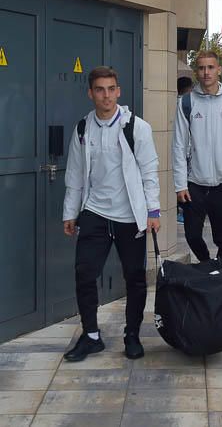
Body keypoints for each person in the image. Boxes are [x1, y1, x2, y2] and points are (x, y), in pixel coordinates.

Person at [62, 66, 160, 362]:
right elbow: (75, 174)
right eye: (100, 90)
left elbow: (149, 172)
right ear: (91, 93)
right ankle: (91, 335)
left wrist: (153, 210)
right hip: (94, 212)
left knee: (135, 278)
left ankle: (132, 334)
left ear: (118, 91)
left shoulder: (136, 127)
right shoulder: (82, 128)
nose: (106, 95)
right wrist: (70, 211)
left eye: (111, 89)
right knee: (84, 273)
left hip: (130, 215)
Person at [172, 50, 222, 266]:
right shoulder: (186, 103)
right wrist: (180, 185)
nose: (206, 72)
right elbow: (179, 145)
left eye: (211, 67)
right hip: (195, 185)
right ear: (196, 72)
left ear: (218, 69)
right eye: (201, 68)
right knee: (192, 235)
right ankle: (208, 265)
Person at [176, 76, 193, 224]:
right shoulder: (186, 103)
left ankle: (181, 211)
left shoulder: (177, 102)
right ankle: (182, 211)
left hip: (180, 149)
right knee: (185, 184)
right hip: (187, 151)